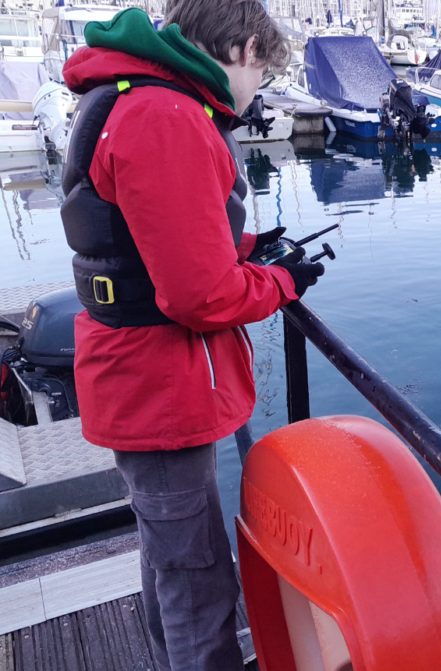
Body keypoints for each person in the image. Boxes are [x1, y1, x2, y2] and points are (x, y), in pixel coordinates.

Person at [59, 1, 323, 668]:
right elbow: (199, 293)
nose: (255, 91)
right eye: (260, 74)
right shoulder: (165, 115)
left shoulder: (133, 95)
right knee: (198, 577)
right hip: (160, 389)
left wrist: (246, 245)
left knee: (170, 557)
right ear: (242, 49)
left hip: (139, 380)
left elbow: (145, 237)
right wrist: (280, 284)